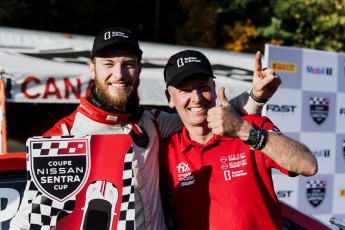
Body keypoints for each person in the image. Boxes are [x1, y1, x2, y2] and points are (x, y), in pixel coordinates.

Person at [10, 27, 280, 230]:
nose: (119, 74)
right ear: (92, 69)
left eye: (128, 64)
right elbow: (27, 221)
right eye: (109, 64)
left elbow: (205, 112)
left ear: (139, 69)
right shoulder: (63, 136)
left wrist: (254, 97)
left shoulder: (152, 122)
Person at [159, 50, 318, 230]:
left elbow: (308, 165)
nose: (196, 98)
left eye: (203, 87)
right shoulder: (166, 151)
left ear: (213, 87)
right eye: (185, 90)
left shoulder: (249, 126)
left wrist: (242, 130)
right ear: (169, 98)